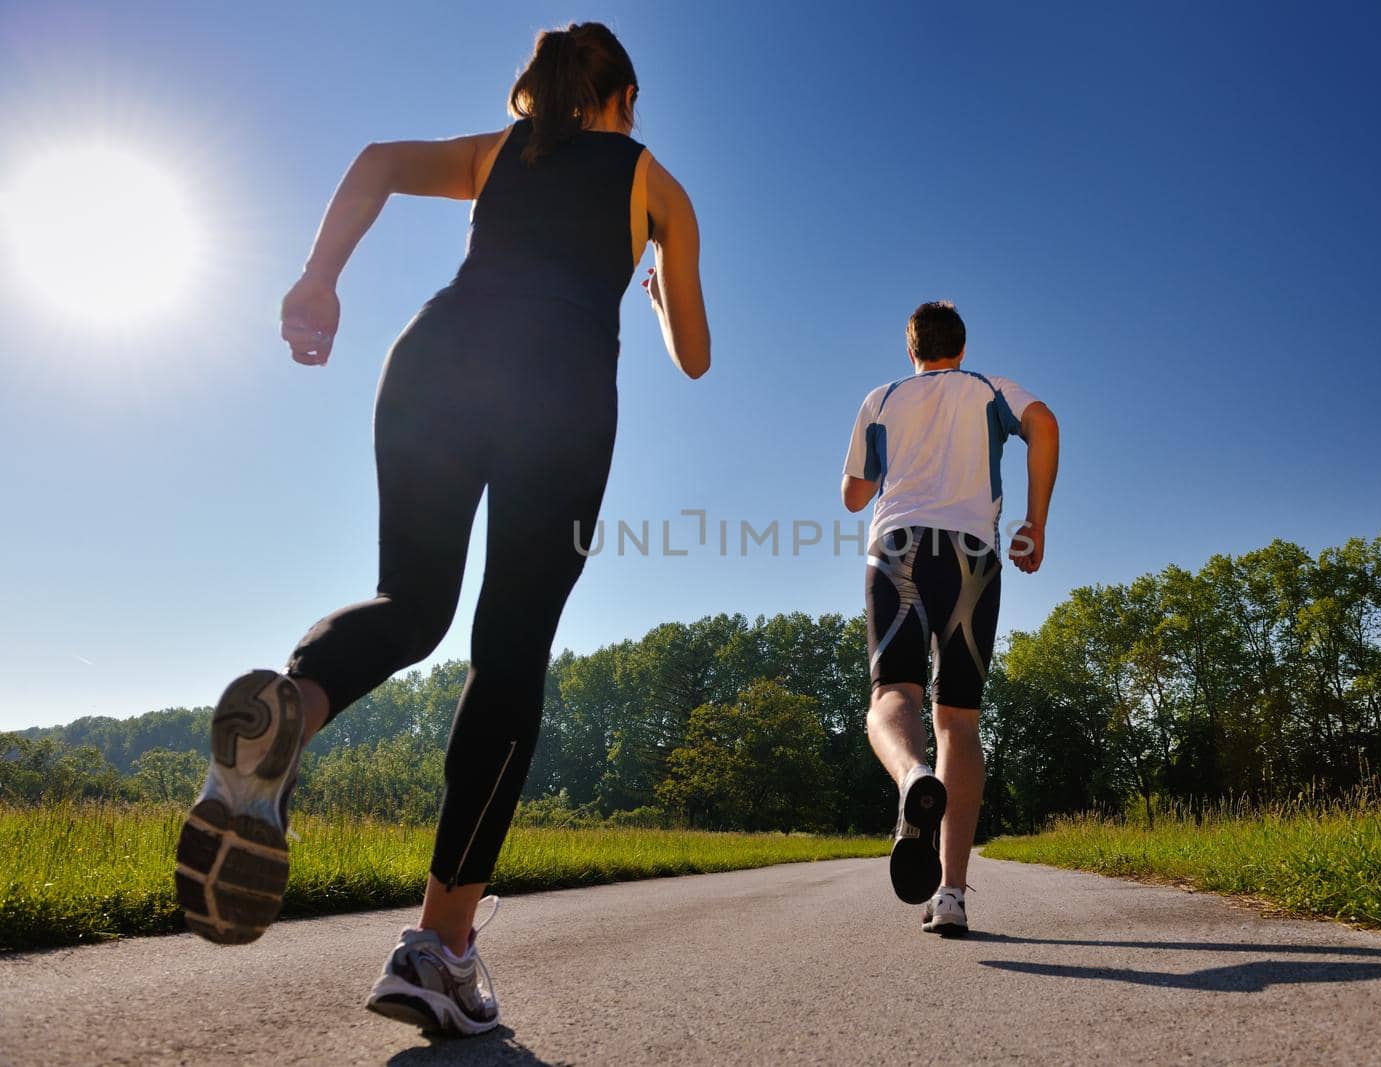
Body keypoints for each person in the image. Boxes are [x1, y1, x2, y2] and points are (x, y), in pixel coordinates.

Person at [173, 21, 709, 1035]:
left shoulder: (501, 151)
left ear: (538, 94)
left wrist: (318, 275)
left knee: (408, 601)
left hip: (434, 360)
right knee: (508, 653)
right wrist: (657, 284)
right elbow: (694, 355)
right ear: (626, 99)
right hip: (558, 389)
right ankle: (440, 943)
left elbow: (375, 162)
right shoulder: (654, 183)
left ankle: (293, 702)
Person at [840, 301, 1058, 937]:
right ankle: (952, 894)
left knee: (891, 698)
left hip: (898, 546)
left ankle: (913, 775)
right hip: (972, 555)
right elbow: (1043, 423)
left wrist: (881, 459)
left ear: (912, 350)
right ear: (960, 349)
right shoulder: (992, 388)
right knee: (958, 719)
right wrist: (1035, 522)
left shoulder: (881, 398)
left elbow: (854, 495)